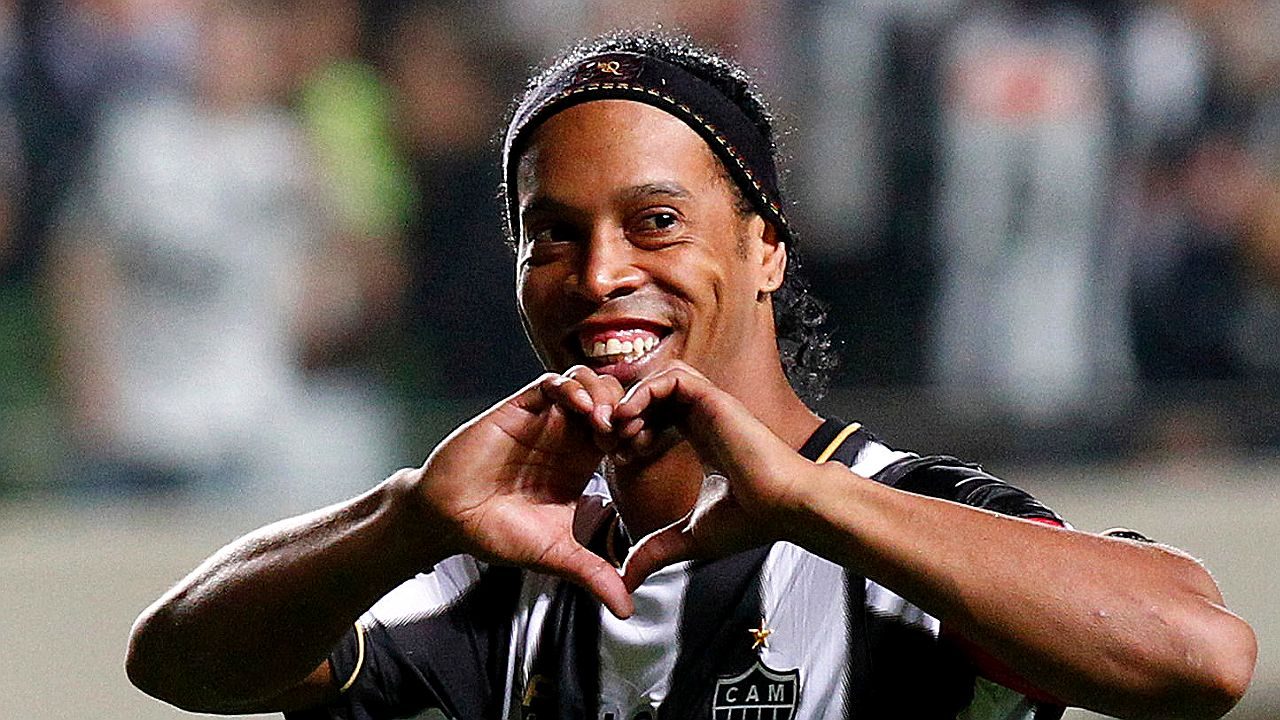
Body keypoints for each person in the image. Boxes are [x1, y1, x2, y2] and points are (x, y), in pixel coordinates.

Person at [125, 32, 1256, 720]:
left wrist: (810, 502)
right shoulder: (501, 569)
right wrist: (409, 514)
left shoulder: (898, 527)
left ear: (764, 247)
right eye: (551, 237)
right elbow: (179, 663)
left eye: (654, 222)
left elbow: (1200, 657)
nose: (599, 273)